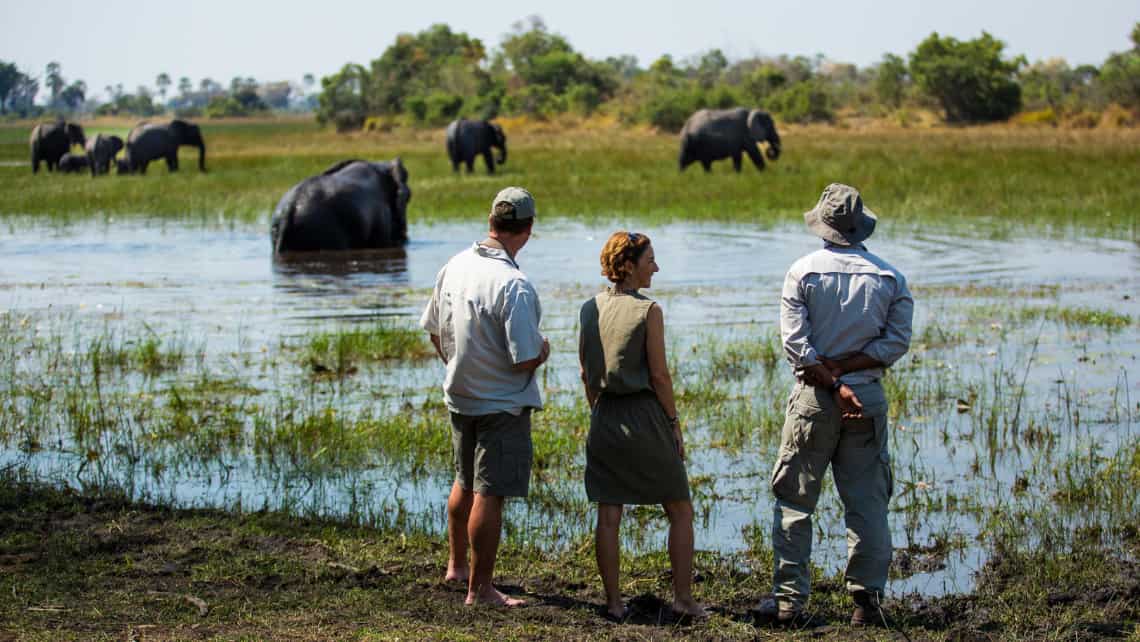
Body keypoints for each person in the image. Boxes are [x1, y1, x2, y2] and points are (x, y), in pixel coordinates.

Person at [755, 183, 913, 627]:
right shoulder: (890, 278)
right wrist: (848, 373)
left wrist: (831, 378)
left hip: (814, 400)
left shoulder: (802, 273)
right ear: (861, 226)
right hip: (867, 396)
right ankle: (867, 602)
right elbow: (894, 343)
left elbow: (797, 347)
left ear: (822, 226)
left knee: (795, 501)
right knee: (867, 502)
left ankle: (789, 603)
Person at [420, 186, 550, 607]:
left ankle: (457, 567)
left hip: (460, 396)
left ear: (491, 222)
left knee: (463, 482)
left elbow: (435, 332)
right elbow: (525, 359)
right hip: (501, 405)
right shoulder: (515, 285)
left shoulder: (454, 265)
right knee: (489, 494)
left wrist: (460, 367)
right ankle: (481, 589)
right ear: (527, 231)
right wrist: (545, 349)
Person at [578, 231, 707, 622]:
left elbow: (586, 371)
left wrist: (598, 411)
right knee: (680, 508)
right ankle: (683, 598)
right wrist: (673, 423)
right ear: (630, 265)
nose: (657, 266)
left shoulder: (589, 307)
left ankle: (614, 603)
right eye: (651, 259)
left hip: (604, 417)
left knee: (609, 514)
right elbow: (660, 376)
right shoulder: (649, 310)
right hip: (645, 417)